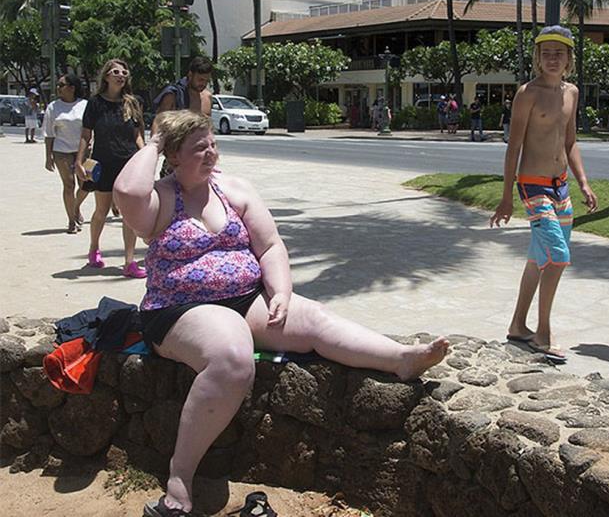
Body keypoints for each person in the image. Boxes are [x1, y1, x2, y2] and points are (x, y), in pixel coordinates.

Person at [113, 110, 449, 517]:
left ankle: (399, 359)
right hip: (177, 308)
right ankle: (180, 479)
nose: (211, 153)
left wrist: (281, 293)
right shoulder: (160, 198)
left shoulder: (233, 190)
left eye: (213, 144)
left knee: (314, 319)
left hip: (245, 298)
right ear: (173, 156)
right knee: (232, 354)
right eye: (199, 148)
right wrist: (153, 140)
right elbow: (127, 192)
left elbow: (270, 246)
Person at [489, 26, 597, 363]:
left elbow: (570, 141)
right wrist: (507, 196)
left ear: (569, 59)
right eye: (546, 53)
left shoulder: (572, 93)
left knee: (538, 259)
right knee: (558, 257)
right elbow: (514, 147)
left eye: (559, 53)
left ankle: (517, 325)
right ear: (537, 57)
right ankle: (542, 332)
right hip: (533, 184)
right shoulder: (527, 93)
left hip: (560, 185)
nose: (553, 59)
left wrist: (583, 182)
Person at [76, 59, 146, 278]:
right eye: (115, 72)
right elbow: (86, 135)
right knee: (101, 211)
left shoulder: (132, 102)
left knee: (129, 215)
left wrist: (145, 157)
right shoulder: (95, 103)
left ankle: (129, 262)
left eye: (124, 72)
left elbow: (137, 134)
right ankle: (94, 248)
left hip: (128, 163)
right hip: (103, 162)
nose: (120, 75)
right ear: (106, 76)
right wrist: (79, 161)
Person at [151, 57, 213, 177]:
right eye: (200, 79)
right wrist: (154, 150)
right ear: (190, 75)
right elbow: (159, 120)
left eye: (206, 80)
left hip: (200, 158)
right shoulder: (173, 94)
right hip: (176, 158)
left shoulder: (207, 97)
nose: (203, 84)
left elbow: (208, 129)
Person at [43, 74, 89, 234]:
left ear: (72, 87)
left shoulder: (84, 105)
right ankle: (71, 220)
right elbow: (49, 134)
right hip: (61, 151)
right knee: (69, 185)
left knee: (86, 185)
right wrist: (48, 157)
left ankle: (76, 207)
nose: (58, 88)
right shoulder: (53, 107)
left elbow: (90, 129)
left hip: (83, 151)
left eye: (61, 85)